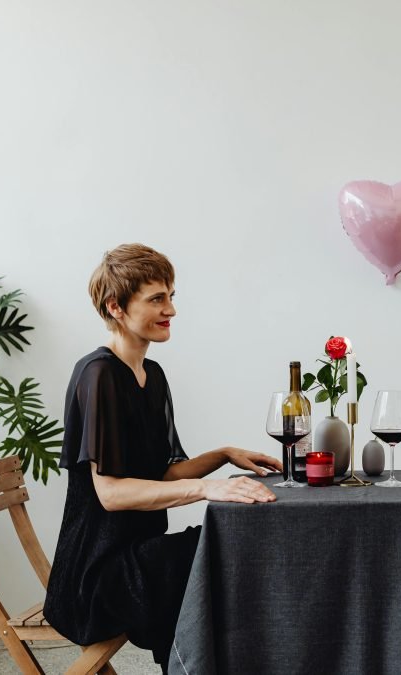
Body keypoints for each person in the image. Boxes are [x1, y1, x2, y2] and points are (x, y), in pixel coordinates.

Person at [44, 243, 281, 672]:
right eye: (156, 299)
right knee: (213, 554)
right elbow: (112, 494)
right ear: (116, 307)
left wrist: (223, 455)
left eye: (171, 296)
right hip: (97, 575)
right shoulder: (99, 375)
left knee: (221, 548)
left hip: (139, 555)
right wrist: (206, 489)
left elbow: (165, 474)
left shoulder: (151, 375)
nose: (170, 309)